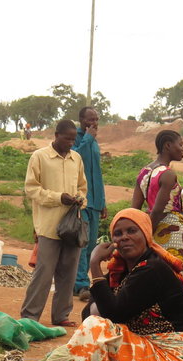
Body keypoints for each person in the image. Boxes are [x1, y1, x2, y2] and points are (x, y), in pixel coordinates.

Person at [62, 208, 183, 361]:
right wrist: (104, 278)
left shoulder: (153, 269)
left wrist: (94, 265)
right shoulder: (122, 272)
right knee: (94, 325)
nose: (125, 237)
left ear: (146, 235)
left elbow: (113, 314)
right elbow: (90, 312)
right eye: (118, 234)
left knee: (95, 328)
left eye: (132, 231)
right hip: (156, 355)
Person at [20, 119, 88, 327]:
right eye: (67, 138)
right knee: (44, 272)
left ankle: (61, 315)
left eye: (73, 139)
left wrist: (80, 200)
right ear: (56, 135)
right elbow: (31, 189)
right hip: (49, 226)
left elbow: (82, 187)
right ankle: (30, 317)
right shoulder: (39, 157)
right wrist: (58, 198)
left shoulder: (76, 158)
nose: (70, 143)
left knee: (68, 273)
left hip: (72, 226)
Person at [132, 129, 183, 312]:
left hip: (151, 230)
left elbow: (134, 210)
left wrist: (141, 236)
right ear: (168, 146)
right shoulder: (168, 174)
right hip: (173, 235)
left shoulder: (144, 172)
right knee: (179, 277)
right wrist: (146, 236)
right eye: (180, 144)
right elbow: (157, 211)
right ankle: (180, 322)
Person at [72, 107, 107, 302]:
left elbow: (98, 174)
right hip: (81, 200)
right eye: (90, 119)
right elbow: (76, 158)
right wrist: (88, 138)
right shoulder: (78, 139)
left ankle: (80, 283)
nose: (94, 123)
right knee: (82, 243)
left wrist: (103, 201)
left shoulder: (94, 142)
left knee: (92, 243)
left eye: (96, 119)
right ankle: (81, 284)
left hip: (95, 201)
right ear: (81, 120)